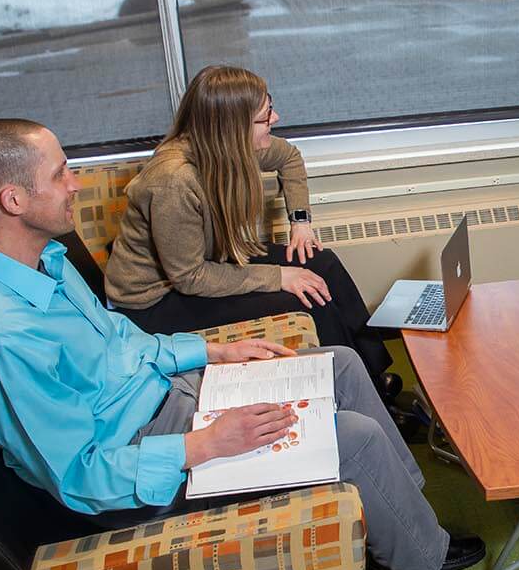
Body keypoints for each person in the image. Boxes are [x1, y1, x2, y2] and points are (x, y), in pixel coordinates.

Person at [0, 119, 512, 570]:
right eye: (59, 175)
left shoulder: (42, 261)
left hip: (162, 401)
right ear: (12, 198)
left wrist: (207, 353)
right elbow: (77, 474)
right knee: (351, 439)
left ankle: (412, 541)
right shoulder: (0, 334)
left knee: (340, 364)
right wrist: (204, 445)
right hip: (141, 464)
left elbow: (120, 345)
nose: (75, 183)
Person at [104, 65, 397, 399]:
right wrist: (278, 277)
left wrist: (300, 222)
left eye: (269, 106)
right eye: (265, 115)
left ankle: (376, 375)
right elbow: (189, 276)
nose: (276, 118)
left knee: (321, 261)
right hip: (154, 303)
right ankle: (353, 394)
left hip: (206, 262)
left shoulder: (229, 148)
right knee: (303, 297)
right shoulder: (174, 180)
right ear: (232, 129)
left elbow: (289, 157)